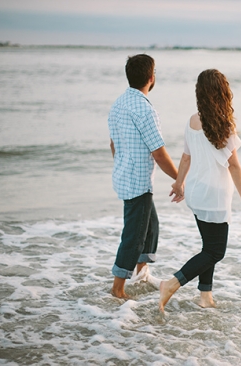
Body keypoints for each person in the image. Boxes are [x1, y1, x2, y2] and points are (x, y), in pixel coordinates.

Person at [159, 69, 241, 311]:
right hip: (215, 196)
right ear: (222, 92)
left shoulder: (192, 120)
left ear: (200, 93)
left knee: (208, 247)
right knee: (216, 251)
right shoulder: (224, 124)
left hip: (195, 192)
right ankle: (172, 283)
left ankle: (205, 297)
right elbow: (233, 164)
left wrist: (179, 183)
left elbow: (185, 158)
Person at [108, 54, 178, 299]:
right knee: (135, 236)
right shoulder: (145, 110)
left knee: (150, 227)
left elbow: (113, 144)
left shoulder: (118, 104)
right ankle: (117, 289)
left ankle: (142, 273)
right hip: (137, 182)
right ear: (151, 78)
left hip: (125, 176)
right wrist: (180, 179)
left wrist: (122, 164)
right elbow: (158, 153)